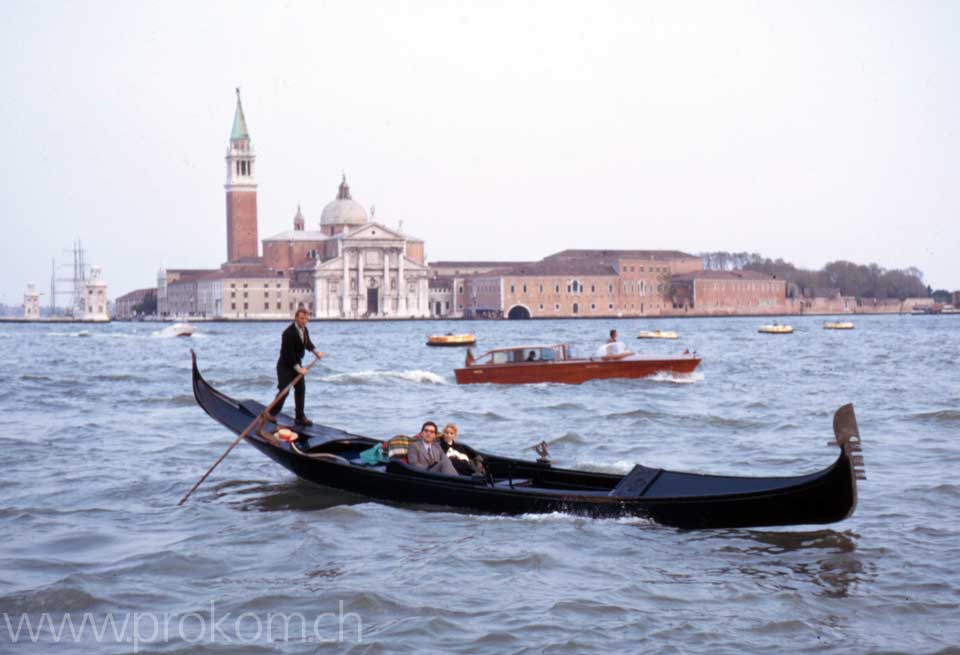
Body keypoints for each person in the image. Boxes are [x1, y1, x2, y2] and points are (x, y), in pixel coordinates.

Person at [273, 308, 323, 426]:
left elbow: (307, 343)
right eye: (301, 318)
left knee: (301, 389)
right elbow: (288, 354)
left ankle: (300, 417)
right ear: (296, 318)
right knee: (284, 391)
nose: (304, 321)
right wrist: (299, 369)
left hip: (297, 363)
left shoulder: (304, 330)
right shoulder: (288, 333)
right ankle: (271, 413)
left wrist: (316, 352)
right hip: (285, 365)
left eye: (306, 319)